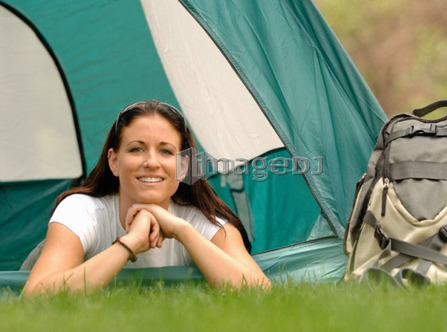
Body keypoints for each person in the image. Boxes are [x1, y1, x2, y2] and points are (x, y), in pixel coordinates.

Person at [23, 100, 271, 296]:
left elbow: (260, 294)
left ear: (184, 167)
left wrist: (182, 230)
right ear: (114, 161)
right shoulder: (80, 210)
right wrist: (130, 243)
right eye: (136, 149)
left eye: (165, 151)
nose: (151, 162)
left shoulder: (201, 221)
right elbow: (35, 297)